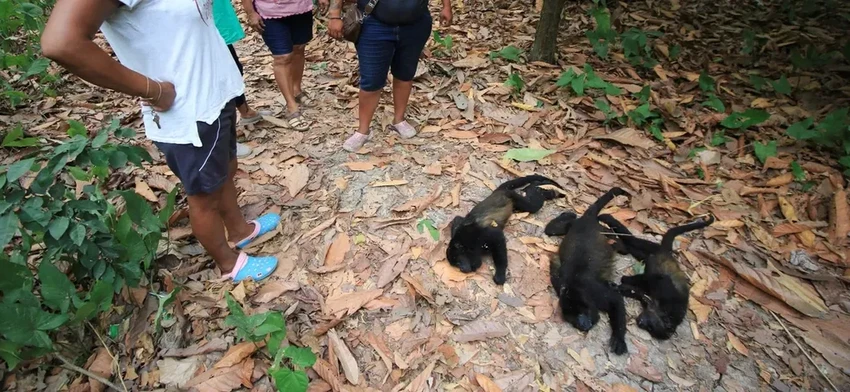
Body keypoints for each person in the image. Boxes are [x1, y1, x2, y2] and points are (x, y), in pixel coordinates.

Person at [42, 0, 281, 283]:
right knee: (204, 195)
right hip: (187, 110)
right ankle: (228, 263)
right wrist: (151, 90)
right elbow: (61, 42)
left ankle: (240, 230)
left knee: (226, 170)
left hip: (214, 93)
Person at [328, 0, 452, 152]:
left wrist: (446, 6)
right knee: (371, 80)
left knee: (405, 73)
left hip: (415, 24)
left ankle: (399, 120)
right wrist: (334, 16)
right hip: (374, 23)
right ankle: (363, 131)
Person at [241, 0, 322, 131]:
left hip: (301, 8)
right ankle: (291, 106)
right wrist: (250, 13)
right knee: (282, 57)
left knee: (299, 48)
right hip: (269, 12)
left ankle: (296, 90)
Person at [212, 0, 268, 158]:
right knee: (217, 79)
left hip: (214, 19)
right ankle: (224, 141)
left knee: (232, 70)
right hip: (198, 29)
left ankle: (246, 113)